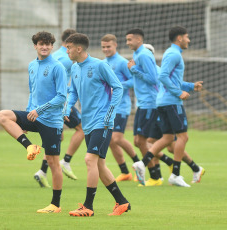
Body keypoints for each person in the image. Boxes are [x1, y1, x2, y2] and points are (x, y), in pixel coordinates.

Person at [0, 31, 67, 213]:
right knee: (3, 116)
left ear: (52, 46)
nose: (44, 47)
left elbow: (61, 97)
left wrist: (39, 110)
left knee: (53, 162)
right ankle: (29, 146)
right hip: (33, 115)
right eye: (41, 44)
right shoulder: (32, 65)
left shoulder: (57, 67)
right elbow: (32, 91)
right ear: (35, 46)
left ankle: (55, 205)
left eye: (48, 44)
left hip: (51, 121)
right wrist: (27, 116)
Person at [65, 33, 130, 217]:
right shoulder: (75, 68)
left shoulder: (100, 65)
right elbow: (73, 91)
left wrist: (110, 112)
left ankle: (88, 206)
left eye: (69, 47)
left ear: (78, 48)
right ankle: (122, 202)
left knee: (89, 160)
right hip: (88, 122)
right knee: (100, 165)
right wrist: (68, 107)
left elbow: (118, 87)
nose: (67, 50)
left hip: (103, 122)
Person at [133, 34, 204, 187]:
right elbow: (164, 78)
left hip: (159, 104)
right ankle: (175, 174)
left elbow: (171, 80)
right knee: (181, 138)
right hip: (167, 102)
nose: (189, 40)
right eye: (187, 37)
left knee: (167, 139)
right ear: (179, 38)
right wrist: (179, 92)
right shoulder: (172, 55)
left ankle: (144, 164)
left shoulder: (162, 60)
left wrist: (191, 86)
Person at [34, 29, 84, 187]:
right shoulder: (66, 59)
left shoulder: (54, 55)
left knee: (57, 137)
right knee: (82, 128)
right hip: (58, 104)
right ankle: (66, 161)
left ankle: (42, 172)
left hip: (48, 104)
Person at [125, 28, 168, 186]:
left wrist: (134, 69)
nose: (127, 42)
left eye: (130, 40)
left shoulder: (143, 54)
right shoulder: (137, 54)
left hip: (149, 103)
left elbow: (153, 79)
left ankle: (155, 177)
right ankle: (158, 172)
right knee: (138, 141)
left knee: (142, 140)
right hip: (142, 103)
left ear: (138, 40)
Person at [101, 34, 140, 182]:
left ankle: (139, 164)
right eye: (103, 47)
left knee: (117, 138)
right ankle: (125, 172)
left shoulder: (122, 62)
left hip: (121, 107)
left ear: (115, 45)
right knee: (110, 141)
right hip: (108, 107)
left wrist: (118, 87)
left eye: (108, 46)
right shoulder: (102, 63)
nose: (106, 49)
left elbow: (134, 80)